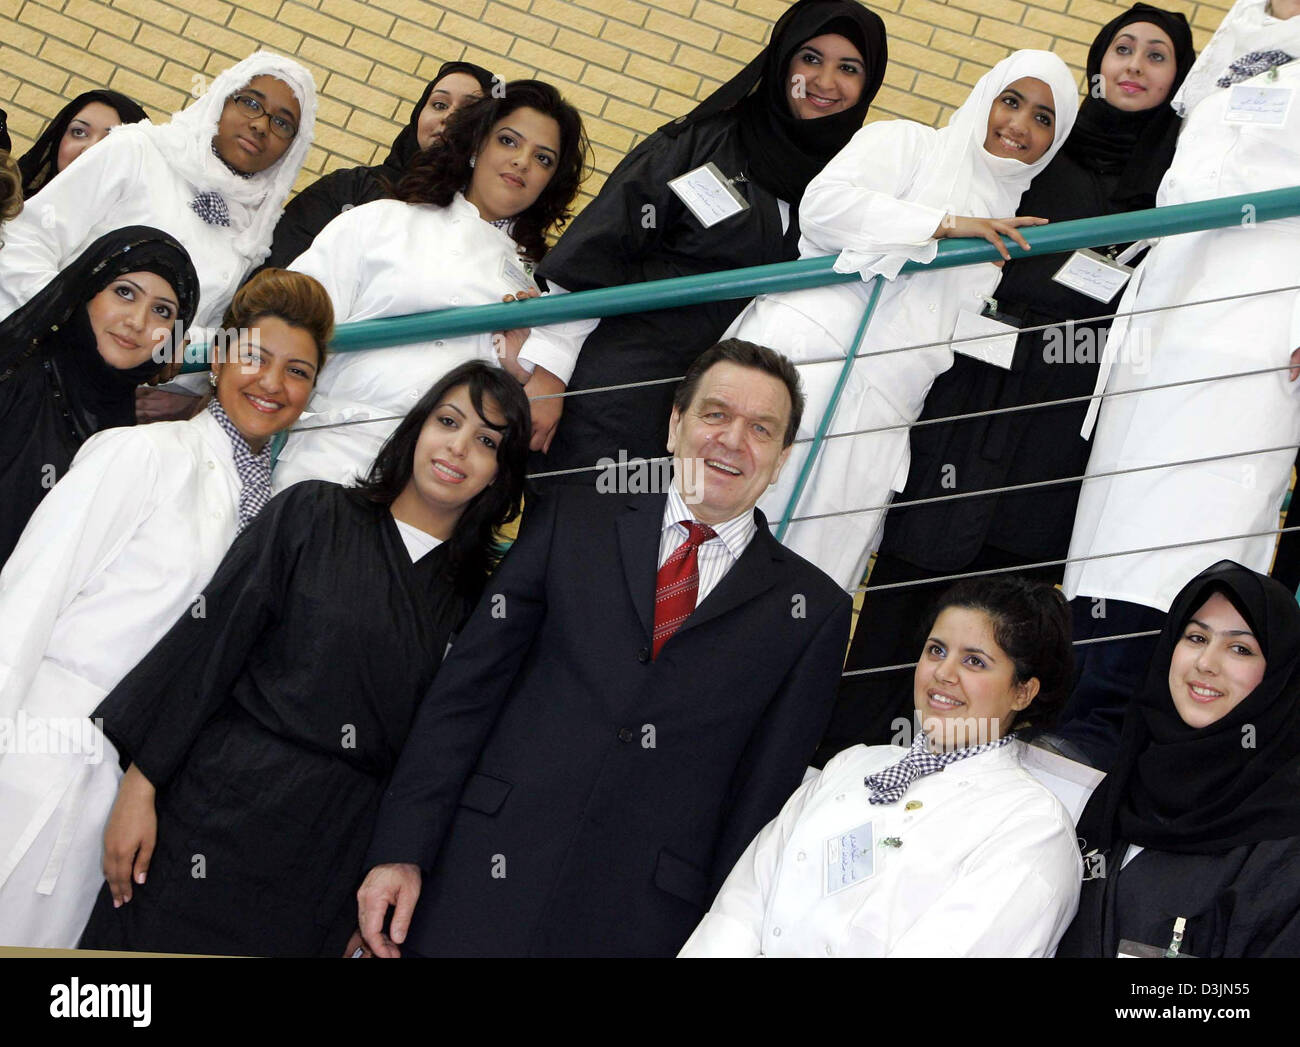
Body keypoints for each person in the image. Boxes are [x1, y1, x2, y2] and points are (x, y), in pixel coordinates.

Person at [356, 339, 852, 958]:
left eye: (761, 429)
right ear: (675, 424)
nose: (732, 440)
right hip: (475, 875)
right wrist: (402, 850)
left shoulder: (813, 612)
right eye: (716, 414)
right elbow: (466, 694)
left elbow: (758, 804)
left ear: (780, 460)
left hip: (641, 925)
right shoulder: (572, 517)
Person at [820, 6, 1195, 762]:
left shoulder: (1178, 173)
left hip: (1058, 421)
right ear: (1097, 62)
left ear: (1176, 80)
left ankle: (941, 797)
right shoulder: (1045, 147)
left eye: (1156, 56)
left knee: (1003, 630)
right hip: (971, 394)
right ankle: (836, 773)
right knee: (902, 616)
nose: (1134, 64)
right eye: (1122, 47)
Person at [77, 361, 530, 957]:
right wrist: (140, 788)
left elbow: (436, 761)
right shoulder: (313, 512)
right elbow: (209, 646)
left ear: (500, 474)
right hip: (215, 807)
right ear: (417, 427)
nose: (459, 447)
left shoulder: (478, 603)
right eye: (448, 421)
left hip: (332, 852)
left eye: (487, 441)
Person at [0, 268, 331, 948]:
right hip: (36, 753)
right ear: (219, 357)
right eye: (255, 357)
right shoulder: (140, 453)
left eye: (297, 371)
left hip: (127, 798)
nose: (272, 383)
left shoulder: (274, 518)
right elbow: (28, 599)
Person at [730, 49, 1079, 591]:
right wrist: (944, 224)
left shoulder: (1011, 226)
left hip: (881, 416)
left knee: (806, 586)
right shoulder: (909, 144)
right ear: (986, 97)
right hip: (800, 365)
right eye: (1011, 101)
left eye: (1043, 118)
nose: (1019, 125)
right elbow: (823, 208)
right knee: (715, 537)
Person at [1062, 0, 1300, 769]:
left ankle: (1141, 744)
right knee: (1112, 533)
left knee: (1198, 534)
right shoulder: (1232, 40)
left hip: (1257, 330)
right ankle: (1077, 717)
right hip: (1163, 325)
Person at [533, 0, 887, 478]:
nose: (825, 81)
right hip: (619, 400)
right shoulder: (703, 143)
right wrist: (549, 373)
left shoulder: (850, 185)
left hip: (727, 437)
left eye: (849, 67)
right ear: (782, 62)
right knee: (578, 539)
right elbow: (601, 247)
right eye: (810, 58)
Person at [679, 575, 1081, 957]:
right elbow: (740, 907)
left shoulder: (1033, 826)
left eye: (974, 661)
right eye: (936, 650)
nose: (943, 673)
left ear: (1023, 692)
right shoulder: (852, 764)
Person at [273, 79, 589, 487]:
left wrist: (519, 372)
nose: (523, 162)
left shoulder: (540, 290)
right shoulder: (379, 221)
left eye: (543, 159)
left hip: (437, 490)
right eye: (509, 141)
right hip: (326, 458)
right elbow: (288, 327)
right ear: (476, 146)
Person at [1056, 560, 1300, 957]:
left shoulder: (1283, 840)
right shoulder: (1124, 788)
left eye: (1240, 648)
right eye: (1195, 638)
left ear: (1279, 676)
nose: (1206, 663)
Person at [0, 52, 316, 339]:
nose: (261, 125)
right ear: (221, 99)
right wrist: (73, 327)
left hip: (124, 395)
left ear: (292, 148)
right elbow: (26, 240)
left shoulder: (256, 227)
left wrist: (171, 366)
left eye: (282, 123)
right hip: (39, 353)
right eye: (250, 102)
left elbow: (205, 331)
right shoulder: (139, 150)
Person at [0, 226, 199, 566]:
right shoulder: (15, 380)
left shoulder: (126, 434)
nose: (138, 322)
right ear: (87, 290)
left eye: (162, 312)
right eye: (125, 292)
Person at [264, 61, 494, 270]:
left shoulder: (489, 226)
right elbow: (275, 274)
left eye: (468, 111)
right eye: (439, 104)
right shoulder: (347, 188)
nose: (449, 117)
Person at [17, 89, 149, 199]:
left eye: (110, 141)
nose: (89, 150)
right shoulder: (8, 210)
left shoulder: (139, 229)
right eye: (79, 132)